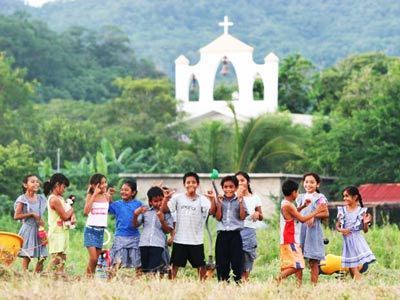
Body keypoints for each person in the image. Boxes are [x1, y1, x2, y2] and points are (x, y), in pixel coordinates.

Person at [161, 172, 216, 280]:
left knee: (200, 266)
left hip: (196, 240)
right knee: (174, 265)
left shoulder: (203, 199)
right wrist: (166, 198)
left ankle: (202, 286)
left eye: (193, 182)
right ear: (184, 184)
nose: (191, 184)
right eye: (188, 182)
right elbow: (164, 209)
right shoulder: (178, 198)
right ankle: (171, 284)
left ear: (198, 184)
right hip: (180, 239)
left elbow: (212, 211)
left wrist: (212, 199)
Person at [276, 179, 326, 285]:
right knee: (299, 265)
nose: (298, 193)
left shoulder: (286, 203)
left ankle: (297, 286)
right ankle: (278, 278)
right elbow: (302, 219)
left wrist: (303, 206)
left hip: (290, 239)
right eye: (298, 191)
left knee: (296, 264)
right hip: (290, 239)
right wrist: (316, 211)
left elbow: (294, 212)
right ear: (294, 192)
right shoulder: (288, 205)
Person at [295, 172, 329, 284]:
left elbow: (326, 213)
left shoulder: (320, 198)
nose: (308, 184)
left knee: (314, 261)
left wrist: (313, 216)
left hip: (313, 232)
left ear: (317, 184)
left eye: (312, 182)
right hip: (301, 231)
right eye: (306, 182)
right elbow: (296, 212)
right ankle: (298, 285)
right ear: (303, 183)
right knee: (298, 259)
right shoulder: (300, 198)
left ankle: (313, 286)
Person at [336, 186, 375, 280]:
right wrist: (342, 230)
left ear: (355, 197)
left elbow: (365, 230)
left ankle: (359, 286)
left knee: (353, 267)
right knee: (351, 267)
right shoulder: (342, 210)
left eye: (347, 196)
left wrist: (365, 223)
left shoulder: (361, 211)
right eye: (344, 196)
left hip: (356, 240)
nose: (344, 198)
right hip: (347, 241)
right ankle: (357, 286)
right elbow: (337, 226)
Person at [213, 175, 247, 283]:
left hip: (235, 235)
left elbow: (242, 216)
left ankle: (238, 282)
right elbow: (218, 217)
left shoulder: (239, 200)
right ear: (222, 188)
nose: (228, 189)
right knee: (222, 261)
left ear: (236, 188)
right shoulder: (220, 200)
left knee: (237, 261)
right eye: (226, 187)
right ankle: (223, 283)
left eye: (231, 187)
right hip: (222, 235)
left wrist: (241, 202)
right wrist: (219, 203)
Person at [134, 186, 173, 275]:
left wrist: (162, 220)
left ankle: (152, 284)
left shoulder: (166, 213)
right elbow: (135, 225)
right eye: (155, 201)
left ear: (164, 199)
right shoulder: (145, 211)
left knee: (153, 269)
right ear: (150, 202)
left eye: (161, 200)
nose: (159, 203)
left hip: (157, 244)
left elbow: (167, 230)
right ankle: (147, 286)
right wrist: (136, 214)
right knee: (145, 269)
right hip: (144, 244)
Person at [14, 175, 48, 272]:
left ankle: (37, 277)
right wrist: (31, 214)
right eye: (32, 182)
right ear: (25, 185)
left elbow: (40, 215)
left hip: (39, 230)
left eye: (37, 182)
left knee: (43, 256)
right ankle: (24, 276)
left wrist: (41, 223)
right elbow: (16, 216)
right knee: (27, 256)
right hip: (28, 229)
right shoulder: (22, 199)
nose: (36, 184)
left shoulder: (41, 199)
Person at [83, 173, 114, 277]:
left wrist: (110, 196)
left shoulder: (106, 196)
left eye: (105, 182)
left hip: (100, 231)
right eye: (102, 183)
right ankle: (87, 277)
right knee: (93, 258)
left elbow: (109, 210)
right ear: (94, 185)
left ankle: (90, 278)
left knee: (96, 260)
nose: (105, 185)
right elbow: (86, 211)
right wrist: (94, 194)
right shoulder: (90, 196)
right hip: (90, 230)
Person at [235, 171, 263, 281]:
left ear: (248, 182)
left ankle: (245, 279)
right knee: (236, 256)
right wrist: (238, 196)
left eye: (242, 180)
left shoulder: (255, 198)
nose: (240, 183)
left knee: (247, 256)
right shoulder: (233, 197)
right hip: (236, 230)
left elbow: (261, 216)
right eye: (237, 181)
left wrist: (257, 214)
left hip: (249, 231)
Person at [108, 180, 142, 272]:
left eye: (126, 190)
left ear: (133, 192)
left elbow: (142, 218)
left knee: (138, 263)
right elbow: (109, 207)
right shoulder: (117, 204)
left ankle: (139, 280)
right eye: (122, 190)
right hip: (120, 236)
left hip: (134, 237)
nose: (123, 192)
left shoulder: (138, 204)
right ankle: (111, 281)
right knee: (117, 262)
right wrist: (110, 195)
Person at [44, 173, 75, 275]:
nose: (64, 189)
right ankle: (45, 275)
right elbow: (65, 216)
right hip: (56, 232)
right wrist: (72, 209)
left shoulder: (60, 198)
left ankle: (60, 278)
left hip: (63, 231)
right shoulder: (54, 199)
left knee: (63, 257)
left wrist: (72, 213)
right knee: (56, 258)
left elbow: (68, 212)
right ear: (57, 185)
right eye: (63, 187)